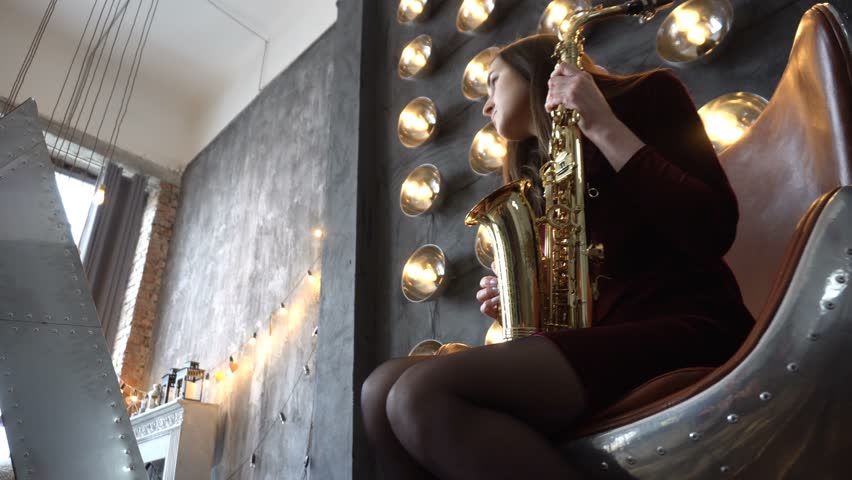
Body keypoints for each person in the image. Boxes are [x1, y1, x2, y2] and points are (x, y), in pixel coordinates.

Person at [360, 33, 755, 479]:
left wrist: (603, 126)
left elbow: (711, 227)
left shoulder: (649, 95)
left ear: (536, 71)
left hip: (688, 325)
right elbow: (577, 305)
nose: (486, 106)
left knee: (417, 394)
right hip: (601, 346)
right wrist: (518, 304)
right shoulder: (539, 172)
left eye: (493, 82)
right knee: (378, 391)